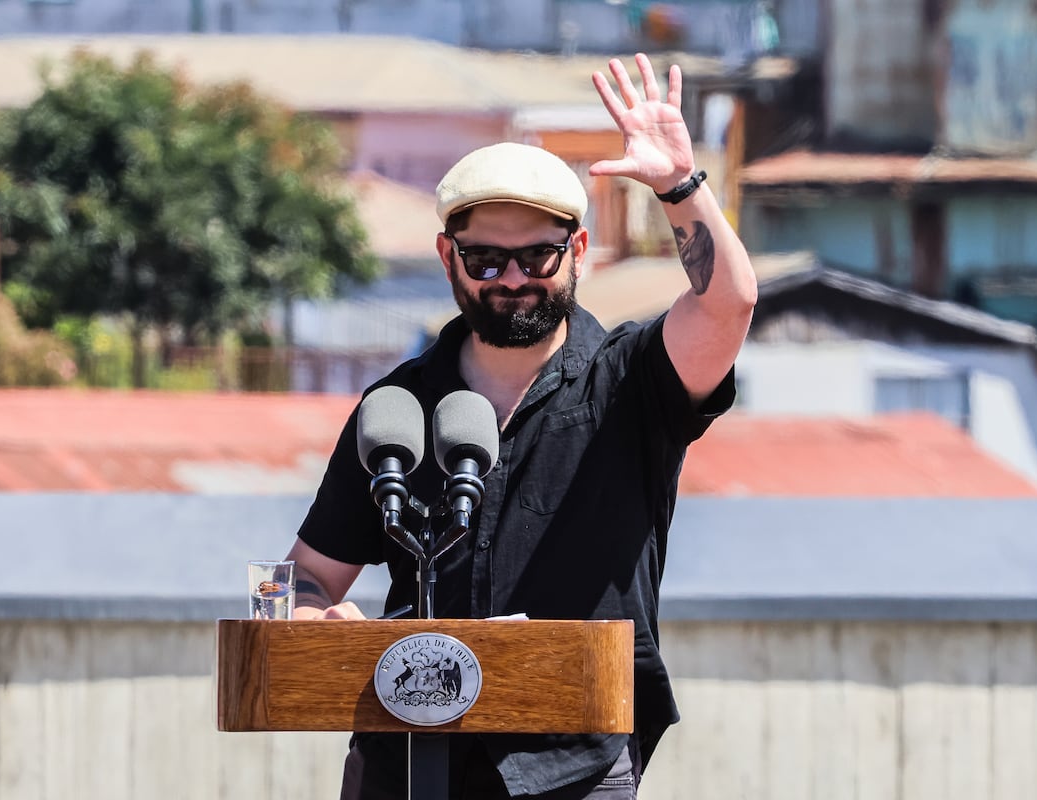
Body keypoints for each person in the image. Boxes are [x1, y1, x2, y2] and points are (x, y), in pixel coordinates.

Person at [283, 52, 757, 799]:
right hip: (403, 765)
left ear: (578, 251)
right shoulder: (396, 409)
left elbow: (727, 305)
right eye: (486, 259)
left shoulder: (633, 381)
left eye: (537, 256)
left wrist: (678, 185)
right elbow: (304, 576)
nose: (512, 280)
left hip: (573, 768)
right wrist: (311, 618)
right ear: (448, 258)